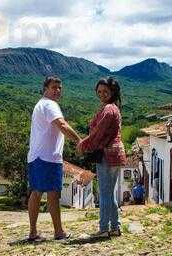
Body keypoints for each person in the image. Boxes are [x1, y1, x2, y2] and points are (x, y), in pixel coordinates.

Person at [27, 76, 81, 241]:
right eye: (54, 87)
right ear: (46, 88)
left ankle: (33, 232)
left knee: (36, 192)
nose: (57, 90)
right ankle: (58, 232)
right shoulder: (50, 105)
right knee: (53, 194)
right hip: (48, 157)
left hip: (35, 156)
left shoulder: (39, 104)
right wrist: (80, 141)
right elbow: (62, 125)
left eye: (59, 88)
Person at [76, 77, 126, 238]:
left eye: (105, 91)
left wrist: (83, 144)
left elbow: (98, 132)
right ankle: (115, 227)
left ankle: (104, 228)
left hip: (107, 155)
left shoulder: (108, 110)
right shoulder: (113, 108)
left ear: (112, 92)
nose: (102, 94)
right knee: (109, 193)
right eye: (99, 91)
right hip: (116, 154)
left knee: (105, 194)